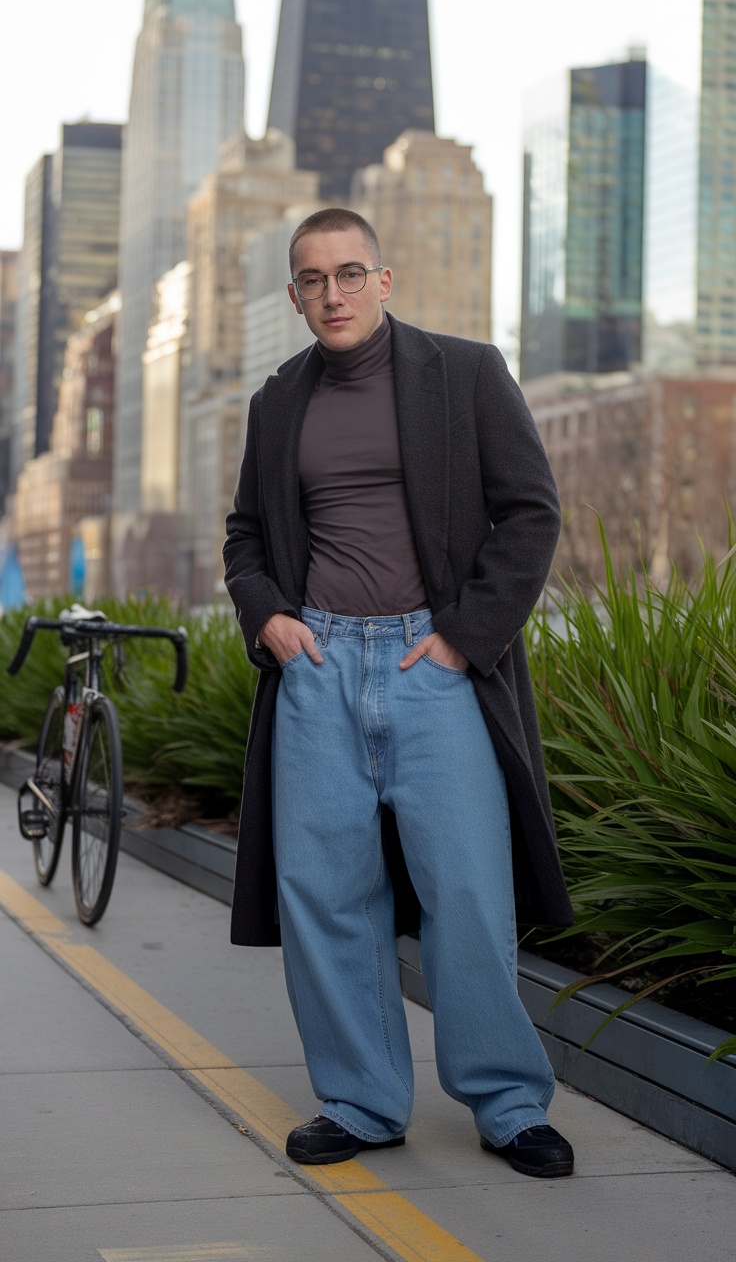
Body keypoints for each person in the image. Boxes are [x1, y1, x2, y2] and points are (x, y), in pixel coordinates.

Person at [223, 207, 576, 1178]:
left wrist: (465, 639)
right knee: (327, 894)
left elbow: (529, 512)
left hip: (434, 665)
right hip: (320, 669)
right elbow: (245, 535)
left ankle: (507, 1102)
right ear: (293, 295)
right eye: (310, 280)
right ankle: (363, 1099)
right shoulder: (277, 400)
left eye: (347, 274)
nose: (330, 294)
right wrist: (268, 619)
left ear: (384, 279)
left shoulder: (462, 375)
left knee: (466, 887)